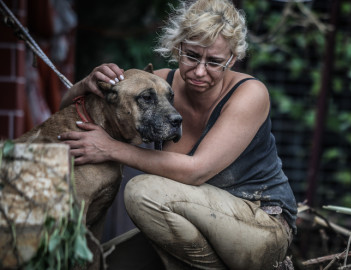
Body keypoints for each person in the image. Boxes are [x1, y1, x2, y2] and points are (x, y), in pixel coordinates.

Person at [58, 0, 297, 269]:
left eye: (215, 62)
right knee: (109, 262)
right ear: (178, 47)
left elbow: (195, 171)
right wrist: (84, 86)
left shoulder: (250, 94)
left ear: (232, 59)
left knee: (142, 191)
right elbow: (66, 117)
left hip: (260, 226)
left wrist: (110, 148)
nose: (199, 71)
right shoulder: (157, 86)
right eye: (192, 56)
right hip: (193, 222)